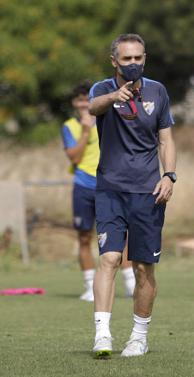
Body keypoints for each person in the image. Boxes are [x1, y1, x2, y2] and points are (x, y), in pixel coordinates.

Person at [88, 33, 176, 358]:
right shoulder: (101, 90)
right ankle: (102, 335)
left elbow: (166, 139)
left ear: (145, 58)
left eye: (138, 57)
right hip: (110, 188)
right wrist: (115, 96)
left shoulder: (158, 91)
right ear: (115, 61)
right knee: (109, 258)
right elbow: (93, 108)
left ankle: (139, 336)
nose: (134, 63)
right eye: (127, 58)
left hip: (147, 192)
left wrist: (169, 175)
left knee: (143, 269)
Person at [60, 82, 135, 302]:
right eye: (80, 100)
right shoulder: (69, 126)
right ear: (75, 103)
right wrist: (85, 131)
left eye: (87, 99)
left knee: (121, 235)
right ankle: (89, 285)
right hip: (83, 186)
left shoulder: (107, 118)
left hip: (110, 184)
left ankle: (130, 282)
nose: (84, 104)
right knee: (84, 237)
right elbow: (74, 157)